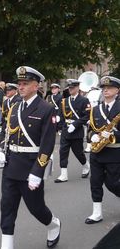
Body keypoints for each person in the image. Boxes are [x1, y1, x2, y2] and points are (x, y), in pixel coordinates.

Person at [0, 66, 61, 249]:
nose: (21, 87)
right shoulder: (15, 107)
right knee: (7, 207)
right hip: (11, 166)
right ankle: (6, 244)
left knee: (36, 208)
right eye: (19, 83)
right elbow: (6, 131)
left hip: (30, 168)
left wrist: (38, 171)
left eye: (25, 83)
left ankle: (53, 224)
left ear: (36, 86)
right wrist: (2, 151)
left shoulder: (45, 109)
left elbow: (47, 144)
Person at [85, 76, 120, 224]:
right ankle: (97, 212)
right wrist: (92, 136)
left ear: (117, 90)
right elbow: (90, 130)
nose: (106, 90)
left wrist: (114, 134)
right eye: (104, 88)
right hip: (97, 152)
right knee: (95, 182)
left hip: (114, 152)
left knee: (113, 183)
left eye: (109, 88)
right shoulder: (95, 109)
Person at [55, 79, 91, 183]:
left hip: (77, 131)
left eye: (73, 88)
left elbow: (87, 115)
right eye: (69, 88)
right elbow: (61, 115)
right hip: (66, 131)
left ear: (78, 88)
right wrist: (60, 127)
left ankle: (85, 165)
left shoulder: (84, 100)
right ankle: (63, 174)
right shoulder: (65, 101)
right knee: (63, 152)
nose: (70, 89)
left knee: (78, 153)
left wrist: (75, 124)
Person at [0, 83, 21, 169]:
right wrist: (1, 125)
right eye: (7, 90)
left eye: (9, 90)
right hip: (6, 124)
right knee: (2, 140)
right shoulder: (6, 101)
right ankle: (1, 160)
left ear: (15, 91)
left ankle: (12, 160)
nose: (7, 92)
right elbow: (3, 114)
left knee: (12, 142)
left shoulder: (18, 100)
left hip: (14, 125)